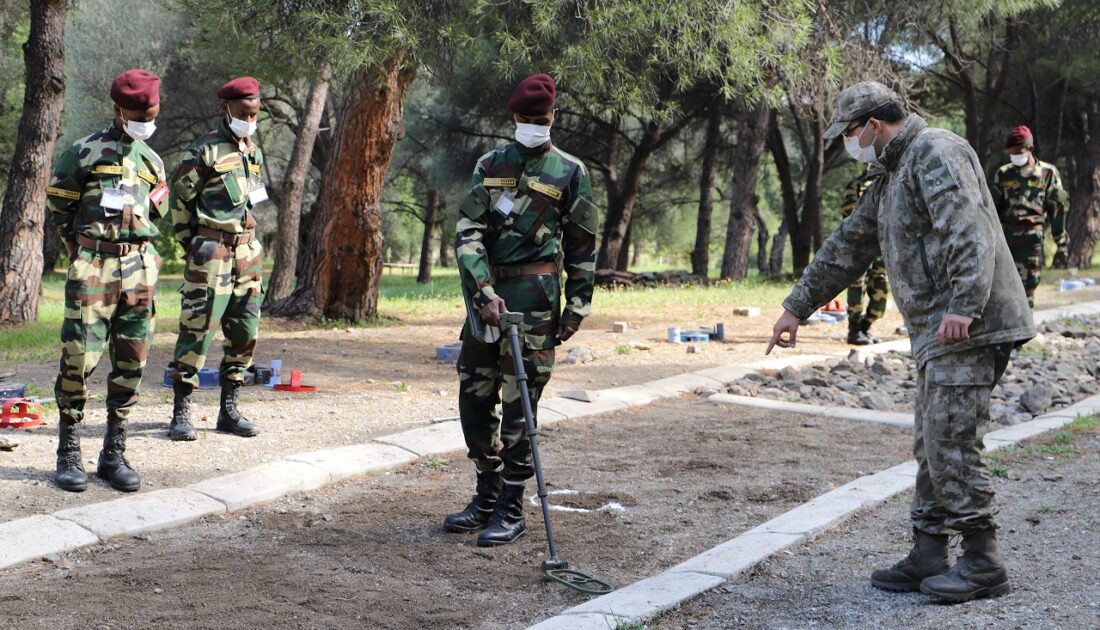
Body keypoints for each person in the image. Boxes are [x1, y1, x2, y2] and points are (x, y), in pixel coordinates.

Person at [766, 82, 1034, 603]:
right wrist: (796, 307)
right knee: (931, 440)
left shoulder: (935, 149)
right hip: (942, 329)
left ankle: (983, 560)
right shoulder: (891, 175)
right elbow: (850, 243)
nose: (849, 143)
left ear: (872, 124)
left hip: (968, 324)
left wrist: (964, 303)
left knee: (951, 439)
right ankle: (929, 551)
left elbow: (967, 227)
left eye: (849, 133)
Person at [445, 73, 599, 546]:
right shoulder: (490, 165)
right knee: (474, 399)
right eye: (527, 120)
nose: (534, 125)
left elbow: (582, 245)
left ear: (554, 117)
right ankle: (486, 493)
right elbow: (468, 231)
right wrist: (483, 290)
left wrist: (577, 305)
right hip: (485, 303)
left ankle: (512, 506)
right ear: (514, 119)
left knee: (520, 407)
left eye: (542, 119)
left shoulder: (570, 172)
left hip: (536, 303)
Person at [47, 69, 167, 492]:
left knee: (132, 359)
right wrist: (80, 253)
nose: (145, 121)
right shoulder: (83, 152)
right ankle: (69, 452)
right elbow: (61, 208)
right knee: (79, 358)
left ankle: (113, 454)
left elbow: (158, 214)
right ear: (119, 109)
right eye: (138, 114)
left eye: (151, 114)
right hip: (94, 267)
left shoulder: (152, 160)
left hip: (140, 269)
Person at [167, 77, 267, 440]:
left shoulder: (251, 151)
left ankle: (229, 410)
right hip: (212, 254)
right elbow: (178, 203)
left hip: (248, 253)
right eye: (243, 113)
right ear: (226, 109)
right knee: (197, 331)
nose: (249, 119)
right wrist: (192, 248)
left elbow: (253, 200)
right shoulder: (203, 151)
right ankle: (181, 412)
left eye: (254, 114)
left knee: (245, 333)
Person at [990, 125, 1070, 307]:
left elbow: (1058, 209)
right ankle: (1010, 330)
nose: (1015, 157)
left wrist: (1061, 243)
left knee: (1029, 285)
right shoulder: (1003, 174)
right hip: (1007, 238)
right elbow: (992, 210)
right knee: (1005, 286)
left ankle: (1026, 329)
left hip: (1032, 237)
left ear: (1030, 149)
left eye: (1018, 152)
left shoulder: (1048, 173)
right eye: (1012, 153)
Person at [841, 166, 888, 345]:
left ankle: (866, 327)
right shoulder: (856, 186)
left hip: (880, 247)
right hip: (859, 246)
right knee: (856, 287)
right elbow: (849, 213)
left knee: (881, 288)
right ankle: (853, 330)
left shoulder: (888, 185)